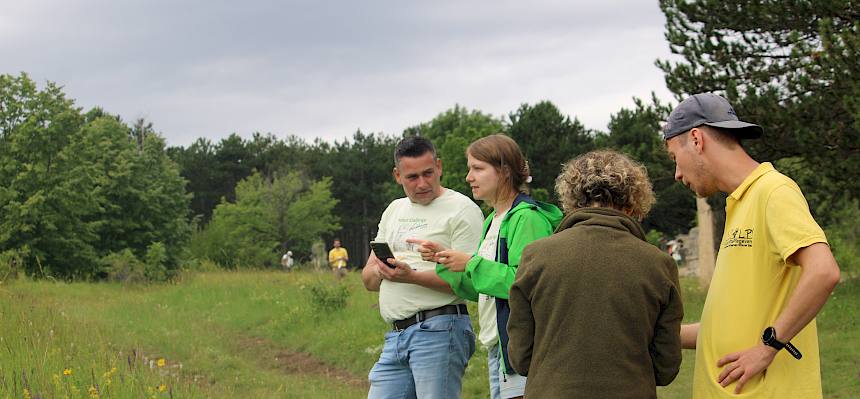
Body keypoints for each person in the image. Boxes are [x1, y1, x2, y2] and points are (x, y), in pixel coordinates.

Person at [664, 93, 840, 397]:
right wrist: (661, 332)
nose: (677, 174)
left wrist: (767, 348)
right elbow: (727, 326)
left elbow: (824, 272)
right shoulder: (738, 204)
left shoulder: (773, 191)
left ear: (696, 140)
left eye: (673, 158)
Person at [506, 150, 683, 398]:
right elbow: (666, 366)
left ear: (572, 201)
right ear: (634, 204)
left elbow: (521, 357)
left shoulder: (536, 256)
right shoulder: (659, 264)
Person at [410, 134, 562, 399]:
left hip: (524, 351)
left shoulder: (526, 219)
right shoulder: (492, 220)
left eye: (478, 168)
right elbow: (483, 289)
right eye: (470, 169)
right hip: (499, 349)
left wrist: (471, 263)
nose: (469, 177)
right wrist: (445, 260)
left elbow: (528, 284)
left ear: (504, 172)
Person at [361, 136, 484, 399]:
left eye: (428, 173)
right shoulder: (394, 210)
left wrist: (411, 277)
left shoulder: (462, 209)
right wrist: (381, 271)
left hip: (440, 327)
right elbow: (368, 279)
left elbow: (470, 280)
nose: (422, 183)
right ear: (397, 175)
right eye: (412, 177)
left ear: (439, 167)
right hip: (396, 335)